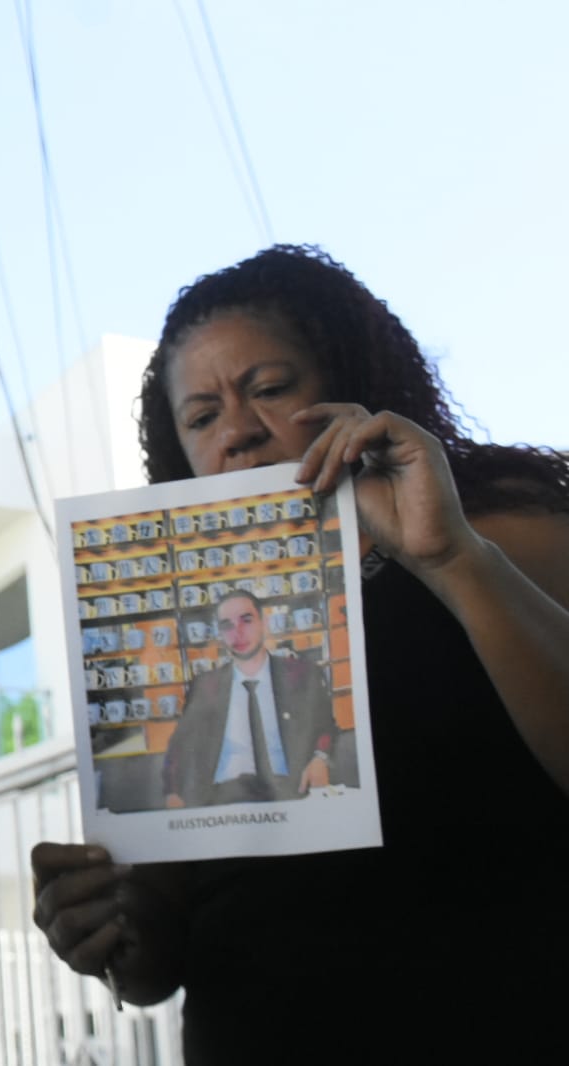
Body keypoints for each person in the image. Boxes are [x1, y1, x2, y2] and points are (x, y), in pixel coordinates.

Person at [32, 245, 569, 1062]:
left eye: (270, 390)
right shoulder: (174, 616)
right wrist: (107, 923)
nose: (240, 433)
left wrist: (447, 557)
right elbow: (155, 959)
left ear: (353, 381)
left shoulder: (499, 526)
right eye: (202, 416)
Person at [162, 590, 335, 807]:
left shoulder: (300, 675)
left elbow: (325, 726)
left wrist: (320, 758)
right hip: (222, 797)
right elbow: (179, 746)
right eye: (227, 625)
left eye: (246, 620)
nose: (238, 633)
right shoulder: (205, 685)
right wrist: (173, 792)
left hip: (288, 791)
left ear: (263, 623)